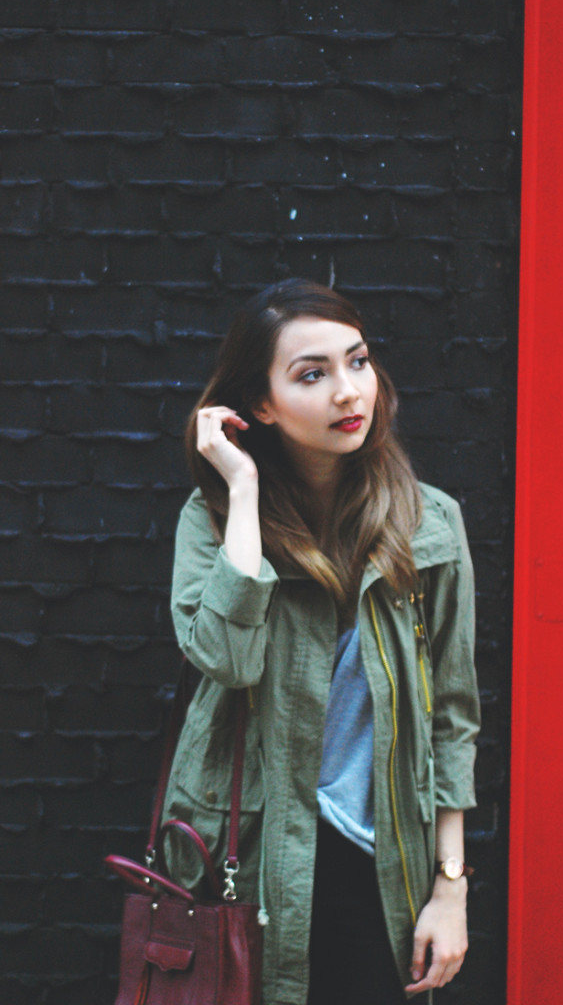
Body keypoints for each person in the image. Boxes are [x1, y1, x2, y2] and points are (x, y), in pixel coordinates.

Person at [162, 278, 481, 1005]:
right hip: (247, 860)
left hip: (381, 860)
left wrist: (451, 887)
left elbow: (453, 717)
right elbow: (227, 659)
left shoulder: (430, 525)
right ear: (261, 405)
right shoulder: (212, 521)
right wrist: (243, 492)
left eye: (357, 361)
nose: (348, 391)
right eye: (313, 374)